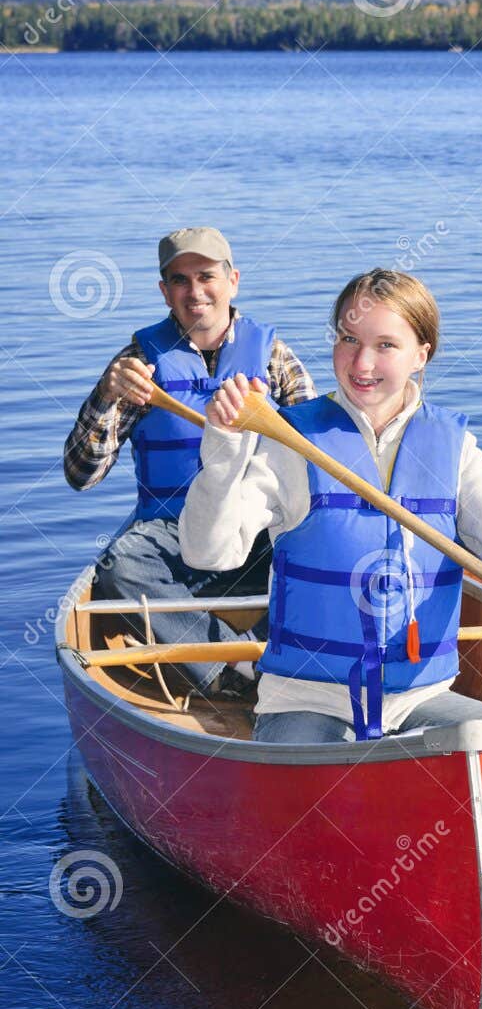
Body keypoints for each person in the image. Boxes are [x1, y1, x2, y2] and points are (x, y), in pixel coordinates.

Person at [179, 268, 482, 742]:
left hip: (421, 698)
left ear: (421, 355)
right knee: (314, 764)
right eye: (349, 339)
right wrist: (225, 449)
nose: (362, 363)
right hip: (308, 698)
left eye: (386, 345)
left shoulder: (455, 448)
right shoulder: (293, 441)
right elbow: (209, 554)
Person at [63, 227, 316, 695]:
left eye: (206, 276)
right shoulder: (139, 366)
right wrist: (106, 395)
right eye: (180, 280)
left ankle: (292, 651)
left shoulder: (275, 359)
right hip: (172, 537)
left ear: (232, 281)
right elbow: (82, 475)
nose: (195, 291)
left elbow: (317, 462)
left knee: (320, 542)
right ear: (165, 292)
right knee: (121, 566)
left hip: (255, 529)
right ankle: (236, 669)